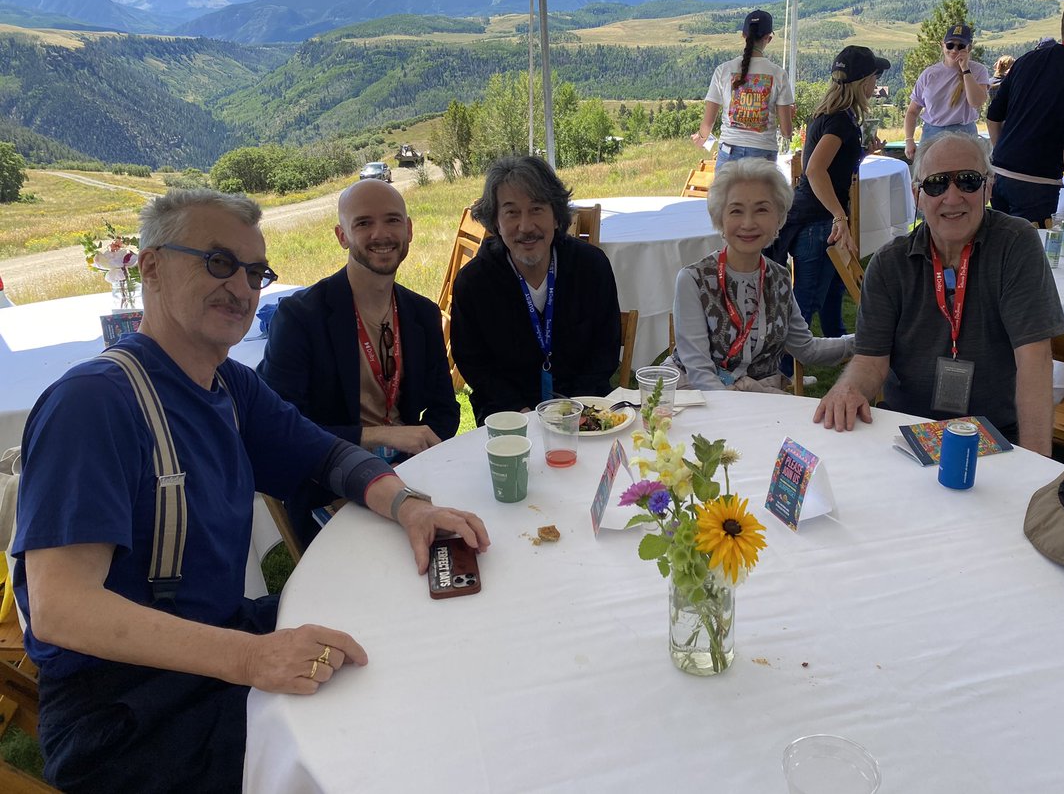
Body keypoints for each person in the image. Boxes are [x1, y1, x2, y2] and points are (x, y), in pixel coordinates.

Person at [11, 189, 489, 791]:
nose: (240, 287)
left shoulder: (228, 385)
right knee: (386, 747)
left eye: (255, 271)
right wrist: (252, 659)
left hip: (222, 639)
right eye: (217, 262)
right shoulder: (95, 403)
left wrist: (409, 506)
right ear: (151, 266)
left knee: (405, 634)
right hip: (127, 713)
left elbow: (329, 456)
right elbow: (62, 610)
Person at [813, 133, 1064, 453]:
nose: (952, 197)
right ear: (917, 194)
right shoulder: (889, 263)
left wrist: (1035, 468)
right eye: (936, 184)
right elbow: (870, 361)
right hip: (904, 430)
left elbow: (1034, 361)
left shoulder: (1016, 244)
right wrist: (847, 388)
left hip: (997, 432)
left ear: (988, 187)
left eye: (968, 181)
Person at [258, 178, 459, 549]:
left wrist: (411, 465)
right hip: (329, 482)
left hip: (409, 474)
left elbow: (446, 410)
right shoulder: (301, 318)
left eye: (392, 220)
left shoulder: (421, 314)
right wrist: (380, 436)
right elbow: (281, 430)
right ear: (341, 235)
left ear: (410, 230)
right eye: (364, 223)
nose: (381, 234)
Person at [450, 155, 621, 425]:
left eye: (537, 209)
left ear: (556, 215)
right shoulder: (473, 284)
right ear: (495, 222)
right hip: (507, 413)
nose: (526, 227)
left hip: (585, 406)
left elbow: (605, 349)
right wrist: (518, 410)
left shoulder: (591, 267)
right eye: (512, 212)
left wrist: (575, 410)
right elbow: (475, 365)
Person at [671, 158, 854, 393]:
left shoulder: (779, 277)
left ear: (779, 218)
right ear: (720, 219)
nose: (748, 223)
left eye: (761, 210)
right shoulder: (693, 280)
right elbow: (699, 372)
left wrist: (868, 338)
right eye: (736, 211)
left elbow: (806, 349)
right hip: (699, 398)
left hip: (758, 396)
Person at [770, 45, 889, 340]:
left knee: (832, 293)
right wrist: (839, 217)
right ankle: (782, 373)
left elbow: (833, 167)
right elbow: (815, 170)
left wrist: (861, 153)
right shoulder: (839, 121)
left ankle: (840, 346)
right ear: (863, 82)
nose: (876, 83)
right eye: (875, 77)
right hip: (818, 222)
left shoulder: (831, 115)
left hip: (814, 217)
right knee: (806, 303)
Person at [986, 0, 1064, 227]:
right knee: (1027, 255)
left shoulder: (1027, 59)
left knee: (1000, 247)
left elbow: (993, 117)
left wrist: (1003, 154)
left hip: (998, 175)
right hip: (1037, 183)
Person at [692, 9, 794, 170]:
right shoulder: (778, 74)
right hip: (764, 155)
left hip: (729, 152)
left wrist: (702, 137)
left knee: (726, 196)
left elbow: (708, 121)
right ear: (769, 38)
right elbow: (787, 132)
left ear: (743, 35)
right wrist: (789, 119)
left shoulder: (723, 70)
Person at [903, 24, 988, 159]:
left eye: (960, 46)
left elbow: (976, 102)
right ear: (943, 45)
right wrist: (909, 140)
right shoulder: (929, 74)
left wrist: (965, 69)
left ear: (969, 48)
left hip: (965, 133)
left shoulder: (978, 71)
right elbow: (912, 111)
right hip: (932, 133)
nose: (954, 50)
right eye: (950, 45)